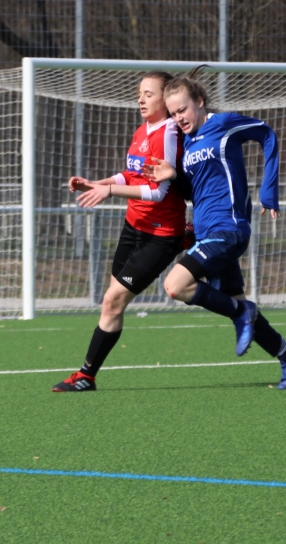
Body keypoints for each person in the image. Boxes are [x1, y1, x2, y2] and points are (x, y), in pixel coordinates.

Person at [147, 68, 286, 389]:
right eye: (173, 113)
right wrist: (174, 177)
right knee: (236, 304)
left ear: (200, 102)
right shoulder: (188, 144)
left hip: (229, 230)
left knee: (175, 286)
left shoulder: (223, 124)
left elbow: (267, 134)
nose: (178, 118)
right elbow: (199, 191)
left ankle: (242, 312)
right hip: (208, 234)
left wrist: (269, 193)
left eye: (182, 109)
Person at [52, 72, 188, 392]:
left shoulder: (168, 133)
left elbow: (157, 192)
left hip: (159, 234)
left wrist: (109, 192)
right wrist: (96, 184)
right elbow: (130, 174)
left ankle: (86, 376)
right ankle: (87, 376)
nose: (140, 99)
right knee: (111, 303)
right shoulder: (142, 130)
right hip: (133, 227)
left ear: (166, 99)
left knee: (113, 300)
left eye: (149, 94)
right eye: (139, 93)